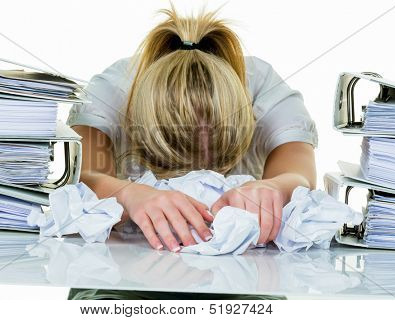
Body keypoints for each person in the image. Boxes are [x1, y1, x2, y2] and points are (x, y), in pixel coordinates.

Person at [68, 7, 318, 253]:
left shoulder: (263, 89)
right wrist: (128, 195)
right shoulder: (112, 91)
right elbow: (81, 177)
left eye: (219, 161)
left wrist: (275, 188)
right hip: (122, 261)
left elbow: (300, 178)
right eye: (174, 158)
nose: (199, 178)